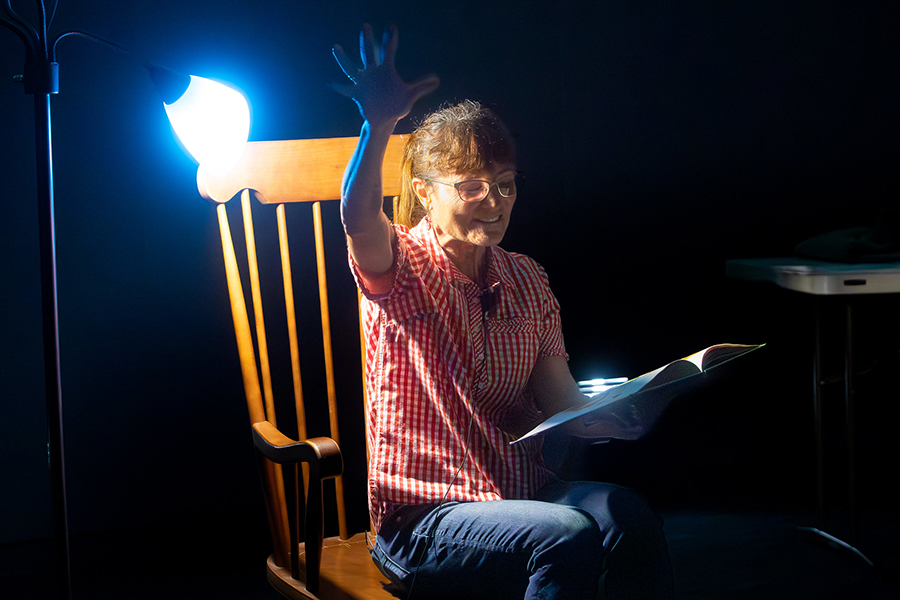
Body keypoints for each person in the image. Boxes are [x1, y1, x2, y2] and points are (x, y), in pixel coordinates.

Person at [331, 24, 675, 600]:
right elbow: (356, 217)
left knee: (627, 513)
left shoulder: (526, 278)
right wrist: (379, 123)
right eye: (471, 187)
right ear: (425, 191)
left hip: (519, 494)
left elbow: (562, 405)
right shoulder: (402, 266)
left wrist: (620, 417)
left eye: (506, 186)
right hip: (427, 515)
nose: (494, 203)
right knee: (564, 535)